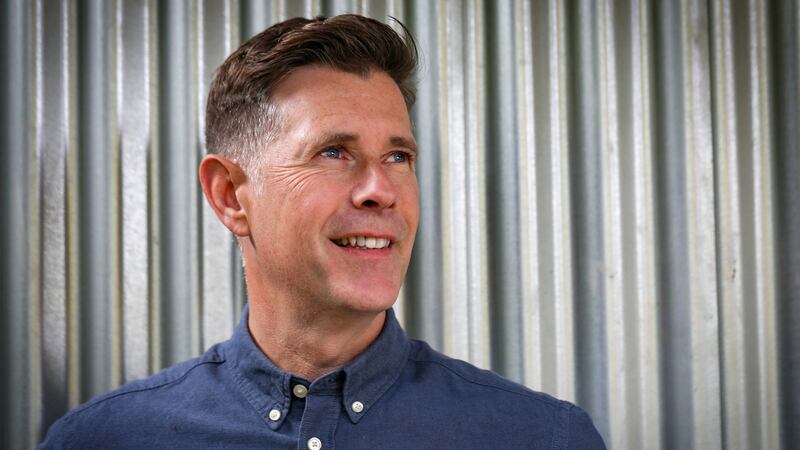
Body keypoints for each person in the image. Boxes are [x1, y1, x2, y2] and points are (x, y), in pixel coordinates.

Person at [40, 14, 605, 449]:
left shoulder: (541, 437)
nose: (379, 189)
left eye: (398, 156)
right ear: (230, 195)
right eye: (334, 152)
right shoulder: (105, 439)